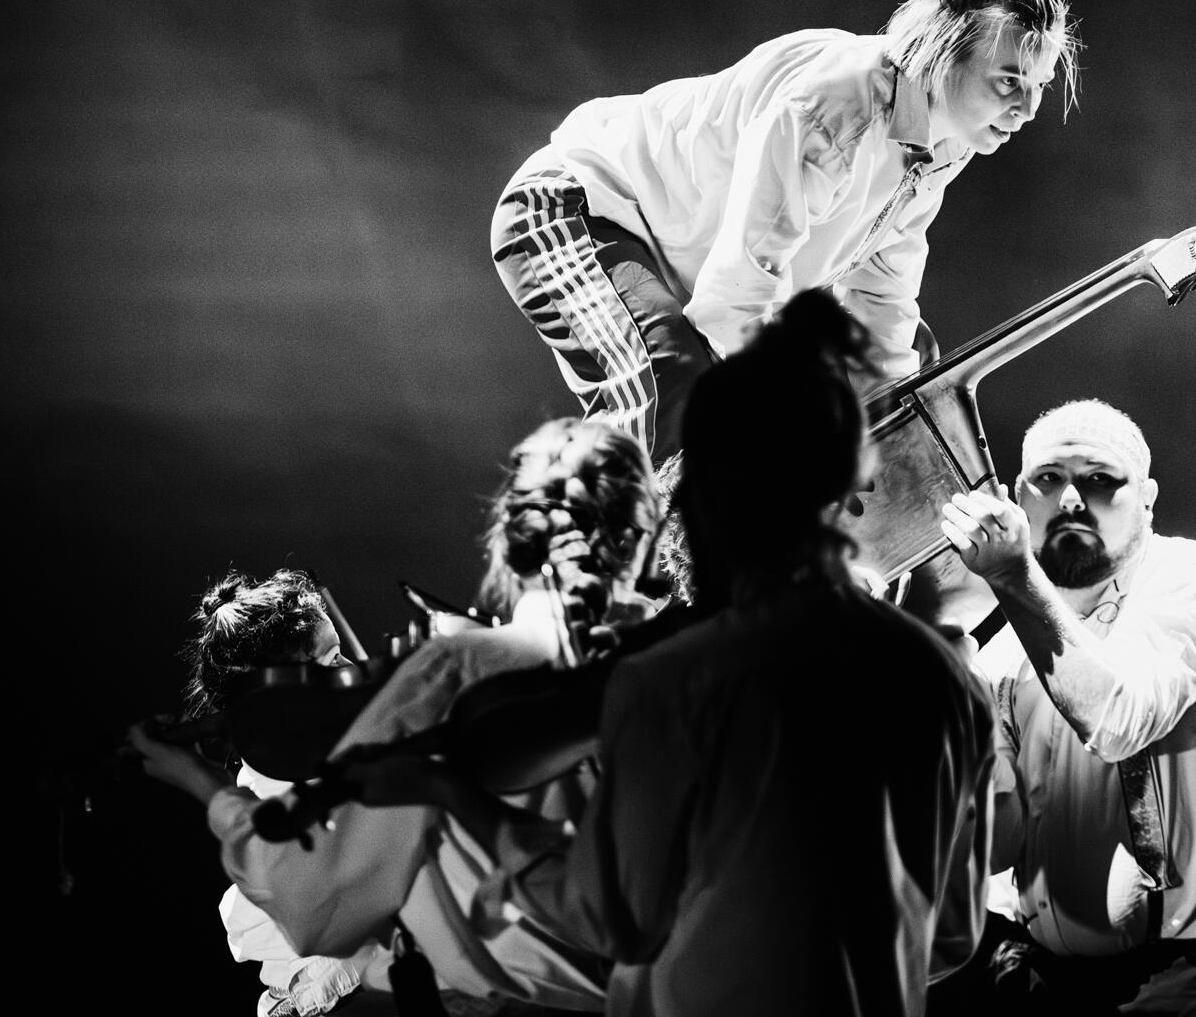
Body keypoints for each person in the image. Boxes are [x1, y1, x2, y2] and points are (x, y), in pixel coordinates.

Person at [424, 288, 996, 1016]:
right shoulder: (944, 675)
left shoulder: (671, 680)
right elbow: (952, 936)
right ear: (848, 489)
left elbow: (614, 918)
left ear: (699, 501)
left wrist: (464, 806)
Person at [490, 0, 1079, 464]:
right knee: (672, 394)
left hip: (691, 265)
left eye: (1040, 84)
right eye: (1009, 81)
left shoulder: (943, 139)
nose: (1028, 109)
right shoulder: (835, 105)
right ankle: (608, 540)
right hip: (579, 207)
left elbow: (882, 293)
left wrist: (890, 427)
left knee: (903, 367)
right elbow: (736, 297)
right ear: (945, 53)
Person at [130, 418, 667, 1014]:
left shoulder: (445, 679)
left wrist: (201, 785)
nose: (348, 673)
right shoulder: (661, 666)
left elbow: (316, 910)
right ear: (638, 542)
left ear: (508, 540)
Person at [937, 400, 1196, 1016]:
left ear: (1147, 499)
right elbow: (996, 847)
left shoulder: (1194, 578)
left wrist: (1012, 576)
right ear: (1018, 497)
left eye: (1100, 479)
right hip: (1041, 979)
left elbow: (1119, 720)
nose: (1071, 499)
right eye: (1048, 478)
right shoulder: (1005, 652)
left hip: (1188, 976)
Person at [177, 567, 394, 1017]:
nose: (351, 672)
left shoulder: (335, 762)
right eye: (331, 661)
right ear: (279, 701)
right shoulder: (276, 803)